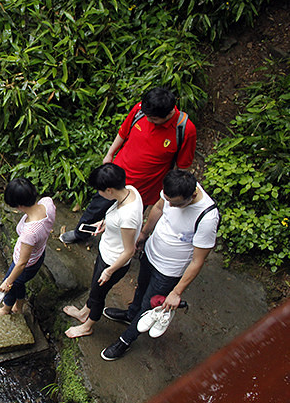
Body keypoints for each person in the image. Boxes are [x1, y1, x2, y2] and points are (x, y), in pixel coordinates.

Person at [100, 170, 219, 360]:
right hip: (151, 252)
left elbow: (198, 261)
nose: (171, 204)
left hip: (169, 270)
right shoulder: (172, 192)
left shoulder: (207, 218)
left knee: (149, 305)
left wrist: (176, 292)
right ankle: (131, 314)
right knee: (141, 289)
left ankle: (125, 340)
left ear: (193, 195)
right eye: (168, 199)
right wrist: (144, 233)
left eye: (176, 203)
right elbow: (158, 207)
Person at [60, 87, 196, 244]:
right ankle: (80, 233)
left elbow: (182, 166)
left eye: (153, 119)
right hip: (116, 174)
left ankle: (120, 245)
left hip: (145, 186)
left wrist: (172, 189)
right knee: (96, 207)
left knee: (129, 218)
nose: (149, 120)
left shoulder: (185, 130)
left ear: (168, 113)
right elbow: (123, 132)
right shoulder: (141, 110)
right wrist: (110, 154)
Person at [63, 164, 142, 338]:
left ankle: (88, 326)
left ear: (109, 190)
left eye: (100, 191)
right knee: (94, 289)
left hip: (113, 261)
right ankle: (84, 312)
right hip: (107, 253)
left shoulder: (128, 217)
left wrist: (109, 271)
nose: (99, 194)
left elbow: (129, 250)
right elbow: (116, 219)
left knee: (99, 295)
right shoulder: (129, 190)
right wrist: (105, 224)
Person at [0, 178, 55, 317]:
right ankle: (19, 304)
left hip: (25, 264)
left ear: (19, 205)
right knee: (19, 284)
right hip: (38, 255)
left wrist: (8, 281)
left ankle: (6, 309)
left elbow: (22, 263)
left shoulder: (30, 232)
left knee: (11, 286)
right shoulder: (47, 203)